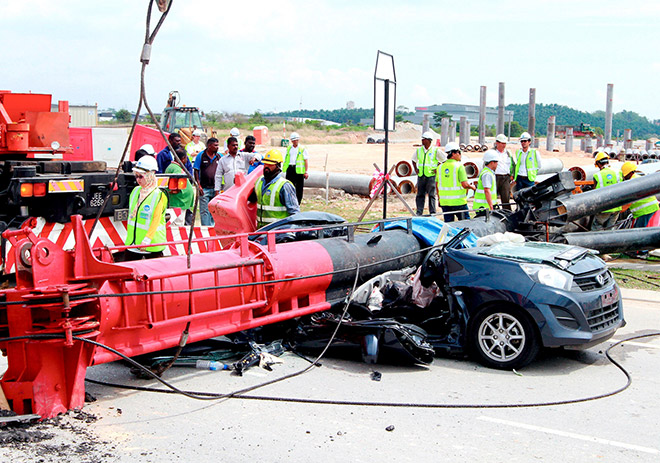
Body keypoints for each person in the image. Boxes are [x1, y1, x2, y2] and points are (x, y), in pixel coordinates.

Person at [117, 155, 167, 261]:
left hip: (152, 245)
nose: (138, 180)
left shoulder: (159, 195)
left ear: (150, 175)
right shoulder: (135, 191)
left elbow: (156, 220)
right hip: (133, 244)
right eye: (136, 176)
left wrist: (147, 239)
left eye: (141, 177)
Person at [249, 149, 300, 228]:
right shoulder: (259, 181)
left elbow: (294, 213)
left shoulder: (284, 186)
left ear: (278, 166)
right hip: (261, 231)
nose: (266, 166)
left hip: (278, 233)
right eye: (265, 163)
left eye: (270, 164)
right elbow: (251, 200)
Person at [437, 142, 475, 222]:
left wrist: (439, 199)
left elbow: (437, 185)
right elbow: (464, 185)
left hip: (445, 202)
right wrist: (472, 187)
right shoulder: (459, 166)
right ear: (453, 153)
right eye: (459, 152)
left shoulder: (440, 167)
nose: (460, 155)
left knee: (449, 225)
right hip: (459, 202)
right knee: (466, 224)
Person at [412, 131, 445, 215]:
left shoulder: (435, 150)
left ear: (429, 141)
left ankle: (432, 212)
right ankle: (419, 212)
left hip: (431, 176)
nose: (422, 141)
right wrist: (416, 169)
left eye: (424, 140)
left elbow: (444, 160)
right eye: (422, 139)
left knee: (431, 195)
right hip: (421, 175)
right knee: (420, 195)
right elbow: (414, 160)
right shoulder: (419, 150)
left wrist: (437, 168)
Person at [621, 161, 659, 228]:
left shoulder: (632, 183)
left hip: (646, 210)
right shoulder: (637, 178)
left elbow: (628, 203)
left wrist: (617, 211)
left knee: (638, 231)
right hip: (649, 208)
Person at [591, 151, 623, 230]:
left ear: (598, 163)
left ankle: (595, 241)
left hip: (604, 207)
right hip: (617, 206)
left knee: (597, 227)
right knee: (610, 228)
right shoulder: (618, 172)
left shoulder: (597, 175)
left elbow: (594, 192)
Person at [193, 137, 220, 226]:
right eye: (215, 145)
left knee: (214, 210)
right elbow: (196, 170)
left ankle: (213, 230)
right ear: (209, 146)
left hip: (216, 189)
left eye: (218, 145)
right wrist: (198, 185)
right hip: (204, 189)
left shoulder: (219, 156)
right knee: (204, 211)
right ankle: (205, 230)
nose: (217, 147)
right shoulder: (201, 156)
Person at [166, 148, 195, 226]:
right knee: (177, 224)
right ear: (183, 158)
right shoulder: (176, 169)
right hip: (178, 202)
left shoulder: (175, 167)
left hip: (180, 202)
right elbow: (175, 186)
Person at [283, 132, 308, 203]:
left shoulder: (302, 148)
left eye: (296, 140)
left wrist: (306, 172)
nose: (295, 141)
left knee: (299, 188)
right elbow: (286, 158)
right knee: (289, 186)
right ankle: (289, 201)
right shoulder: (289, 148)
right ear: (291, 141)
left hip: (299, 170)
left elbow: (306, 160)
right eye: (294, 140)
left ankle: (298, 202)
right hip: (290, 169)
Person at [491, 134, 515, 210]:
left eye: (505, 143)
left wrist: (512, 175)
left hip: (506, 178)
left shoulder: (508, 153)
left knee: (505, 198)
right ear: (497, 143)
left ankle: (507, 213)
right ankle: (492, 211)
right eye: (502, 143)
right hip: (495, 177)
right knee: (493, 197)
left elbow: (513, 164)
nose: (504, 145)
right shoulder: (492, 153)